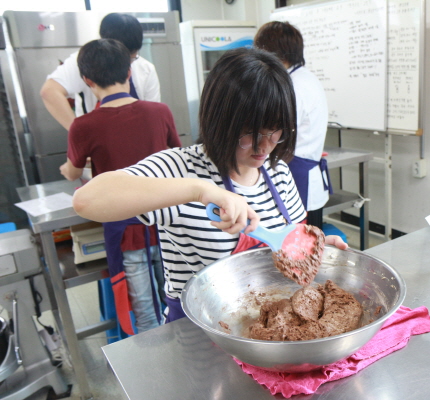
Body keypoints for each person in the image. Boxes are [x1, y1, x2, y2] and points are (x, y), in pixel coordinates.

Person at [72, 47, 347, 322]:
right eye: (251, 133)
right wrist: (201, 191)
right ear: (221, 122)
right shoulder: (180, 168)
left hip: (269, 325)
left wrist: (312, 252)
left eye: (275, 131)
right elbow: (86, 200)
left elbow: (289, 242)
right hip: (199, 333)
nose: (265, 146)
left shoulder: (278, 172)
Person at [60, 38, 181, 334]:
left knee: (145, 311)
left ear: (87, 80)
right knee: (177, 295)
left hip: (125, 231)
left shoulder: (84, 125)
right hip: (166, 224)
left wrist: (66, 167)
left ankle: (153, 366)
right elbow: (177, 157)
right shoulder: (160, 112)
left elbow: (73, 170)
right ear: (129, 72)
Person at [254, 21, 331, 229]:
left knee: (299, 242)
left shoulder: (294, 86)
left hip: (297, 174)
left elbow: (278, 134)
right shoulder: (303, 78)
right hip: (300, 168)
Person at [40, 13, 160, 131]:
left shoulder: (146, 68)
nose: (128, 64)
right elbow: (49, 92)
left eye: (132, 59)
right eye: (123, 59)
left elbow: (152, 115)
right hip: (97, 139)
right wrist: (79, 134)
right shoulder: (83, 61)